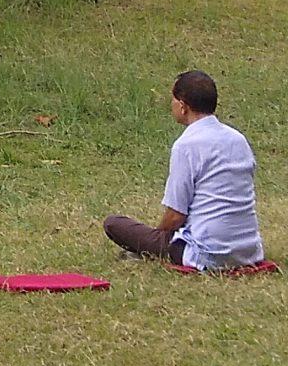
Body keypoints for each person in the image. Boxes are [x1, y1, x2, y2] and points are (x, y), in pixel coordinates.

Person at [104, 69, 266, 269]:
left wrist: (158, 236)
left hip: (208, 252)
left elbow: (175, 215)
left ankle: (149, 251)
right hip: (248, 250)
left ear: (182, 106)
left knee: (113, 224)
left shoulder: (186, 145)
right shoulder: (238, 139)